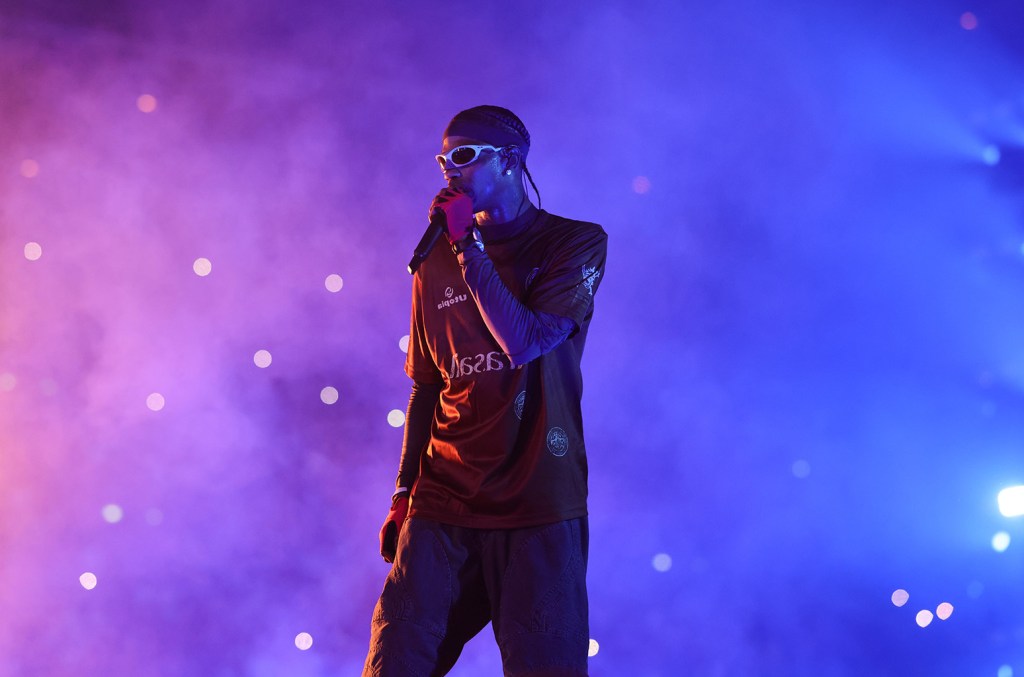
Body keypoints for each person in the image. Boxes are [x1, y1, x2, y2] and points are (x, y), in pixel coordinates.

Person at [363, 105, 607, 677]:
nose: (450, 169)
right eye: (443, 159)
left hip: (537, 500)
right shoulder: (434, 264)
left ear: (512, 159)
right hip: (443, 500)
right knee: (395, 661)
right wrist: (403, 493)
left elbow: (525, 342)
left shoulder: (571, 244)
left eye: (466, 156)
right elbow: (426, 386)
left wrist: (467, 248)